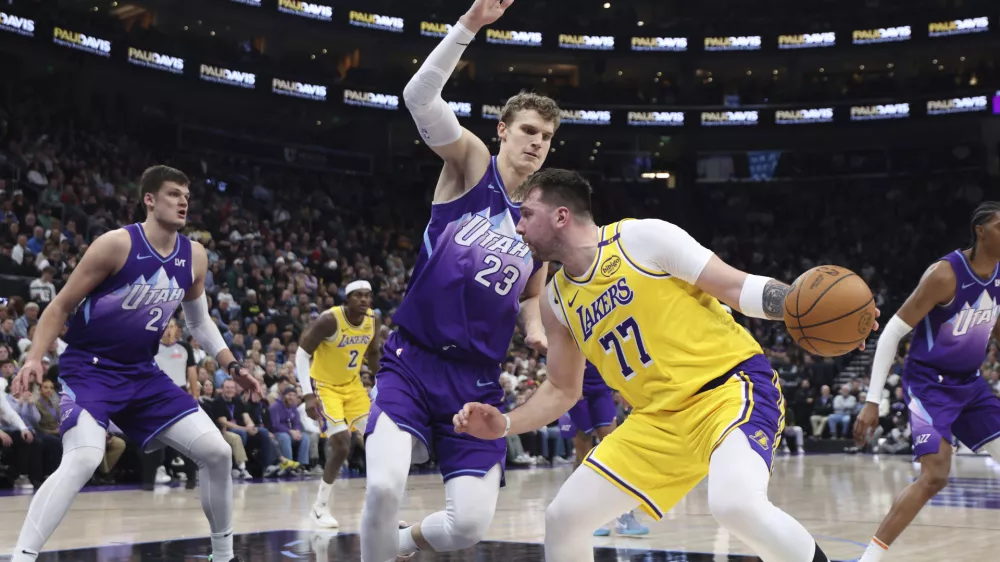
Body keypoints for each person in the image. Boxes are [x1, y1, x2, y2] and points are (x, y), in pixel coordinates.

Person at [454, 169, 876, 562]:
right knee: (564, 517)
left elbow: (735, 286)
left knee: (735, 504)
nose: (519, 226)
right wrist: (505, 424)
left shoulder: (641, 239)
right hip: (656, 421)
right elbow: (563, 389)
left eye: (526, 214)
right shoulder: (556, 301)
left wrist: (810, 310)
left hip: (729, 391)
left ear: (561, 215)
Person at [359, 0, 557, 559]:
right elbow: (418, 98)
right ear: (502, 130)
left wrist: (534, 325)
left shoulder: (540, 215)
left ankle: (402, 542)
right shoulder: (470, 163)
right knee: (381, 485)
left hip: (476, 379)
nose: (537, 142)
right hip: (412, 361)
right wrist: (470, 25)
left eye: (546, 135)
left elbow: (532, 288)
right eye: (528, 130)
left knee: (468, 527)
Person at [9, 165, 261, 562]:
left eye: (187, 196)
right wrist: (35, 357)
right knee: (84, 458)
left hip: (142, 373)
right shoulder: (116, 244)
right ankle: (22, 555)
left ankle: (223, 555)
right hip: (89, 368)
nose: (183, 202)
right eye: (174, 194)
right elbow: (60, 305)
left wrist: (232, 365)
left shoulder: (194, 256)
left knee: (218, 452)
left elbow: (199, 322)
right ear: (149, 199)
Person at [854, 201, 1000, 561]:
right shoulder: (945, 274)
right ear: (980, 231)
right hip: (929, 385)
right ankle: (869, 559)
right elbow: (891, 334)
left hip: (970, 383)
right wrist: (873, 401)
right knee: (935, 476)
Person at [295, 280, 381, 528]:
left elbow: (373, 354)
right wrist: (308, 394)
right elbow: (302, 354)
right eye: (358, 296)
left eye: (368, 295)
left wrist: (382, 385)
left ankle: (378, 505)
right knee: (342, 445)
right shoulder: (329, 320)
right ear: (347, 299)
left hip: (353, 387)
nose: (364, 300)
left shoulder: (372, 320)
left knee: (377, 440)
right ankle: (319, 508)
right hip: (325, 387)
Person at [568, 361, 648, 537]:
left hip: (601, 388)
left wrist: (625, 388)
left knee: (615, 452)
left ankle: (624, 515)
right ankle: (585, 516)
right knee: (584, 456)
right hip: (572, 387)